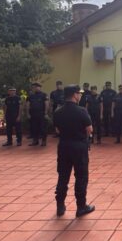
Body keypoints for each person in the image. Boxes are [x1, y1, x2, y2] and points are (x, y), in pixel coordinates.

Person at [53, 85, 95, 218]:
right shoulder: (81, 111)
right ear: (74, 95)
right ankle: (81, 207)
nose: (80, 95)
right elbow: (90, 129)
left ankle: (60, 206)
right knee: (81, 177)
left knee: (63, 176)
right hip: (79, 147)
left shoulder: (58, 112)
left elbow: (57, 130)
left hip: (64, 146)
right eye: (79, 93)